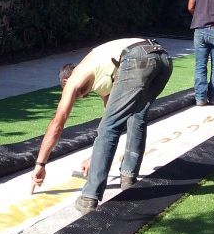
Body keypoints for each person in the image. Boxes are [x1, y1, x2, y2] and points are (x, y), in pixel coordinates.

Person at [30, 38, 172, 213]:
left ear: (66, 81)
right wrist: (94, 158)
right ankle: (128, 178)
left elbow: (57, 123)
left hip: (137, 57)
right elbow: (113, 117)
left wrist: (40, 164)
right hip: (163, 60)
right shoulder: (104, 73)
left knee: (108, 128)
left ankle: (89, 196)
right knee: (136, 115)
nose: (81, 96)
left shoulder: (75, 77)